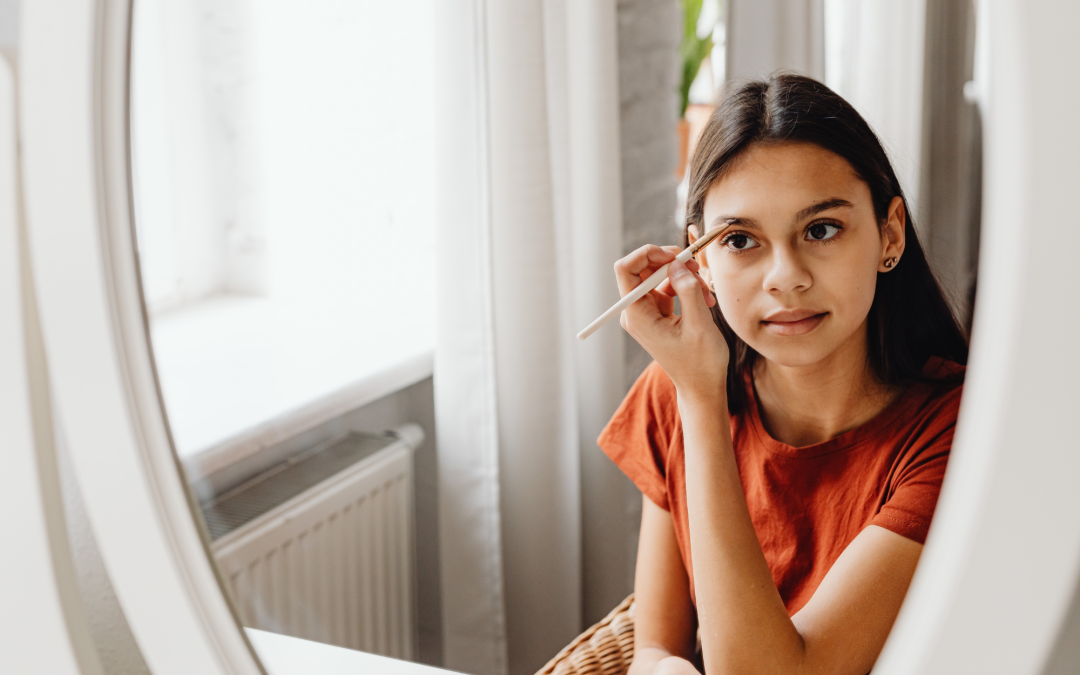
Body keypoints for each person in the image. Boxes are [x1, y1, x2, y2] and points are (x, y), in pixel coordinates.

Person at [598, 74, 969, 675]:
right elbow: (655, 647)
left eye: (821, 229)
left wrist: (701, 401)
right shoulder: (674, 391)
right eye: (741, 240)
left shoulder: (956, 434)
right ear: (703, 264)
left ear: (889, 234)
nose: (785, 277)